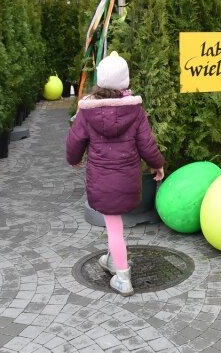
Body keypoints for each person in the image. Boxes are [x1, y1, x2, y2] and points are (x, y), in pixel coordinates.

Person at [66, 51, 165, 296]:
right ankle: (112, 260)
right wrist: (157, 164)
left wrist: (74, 159)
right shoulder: (135, 110)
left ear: (99, 81)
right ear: (125, 82)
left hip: (102, 181)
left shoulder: (87, 111)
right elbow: (147, 144)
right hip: (128, 180)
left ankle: (122, 276)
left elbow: (74, 141)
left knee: (113, 227)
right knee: (116, 225)